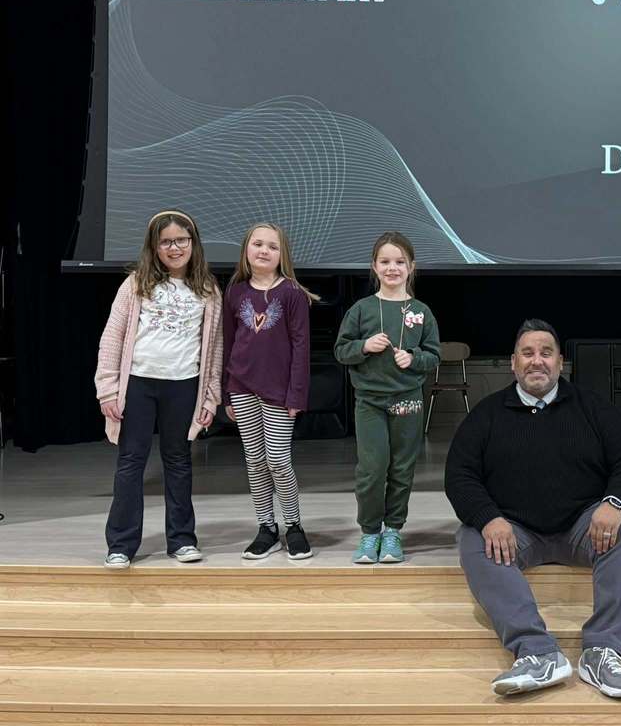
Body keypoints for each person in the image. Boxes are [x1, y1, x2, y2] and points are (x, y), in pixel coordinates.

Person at [445, 319, 621, 699]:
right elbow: (459, 476)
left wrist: (614, 502)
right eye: (527, 353)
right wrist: (489, 518)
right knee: (473, 537)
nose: (536, 361)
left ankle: (602, 652)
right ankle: (538, 653)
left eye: (546, 353)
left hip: (583, 529)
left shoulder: (593, 407)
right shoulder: (486, 414)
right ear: (513, 363)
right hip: (516, 533)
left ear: (560, 362)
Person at [95, 210, 223, 569]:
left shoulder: (208, 290)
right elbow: (112, 339)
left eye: (182, 240)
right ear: (154, 246)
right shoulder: (136, 284)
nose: (175, 247)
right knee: (131, 463)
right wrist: (108, 390)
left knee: (179, 462)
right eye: (166, 241)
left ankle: (182, 540)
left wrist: (210, 397)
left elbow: (215, 350)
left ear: (193, 244)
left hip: (183, 386)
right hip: (138, 384)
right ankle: (121, 544)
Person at [334, 232, 440, 564]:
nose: (392, 268)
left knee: (402, 469)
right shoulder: (361, 309)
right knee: (372, 468)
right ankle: (369, 534)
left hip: (408, 400)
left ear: (411, 268)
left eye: (399, 262)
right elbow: (341, 351)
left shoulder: (421, 311)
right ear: (374, 267)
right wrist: (363, 346)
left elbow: (434, 354)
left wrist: (415, 358)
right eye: (385, 262)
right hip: (370, 402)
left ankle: (393, 531)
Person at [223, 223, 316, 560]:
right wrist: (226, 390)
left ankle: (293, 526)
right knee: (255, 461)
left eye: (272, 246)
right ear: (247, 250)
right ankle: (267, 528)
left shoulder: (292, 294)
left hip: (278, 392)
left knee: (277, 458)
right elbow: (228, 343)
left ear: (282, 254)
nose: (264, 250)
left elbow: (301, 348)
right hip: (242, 388)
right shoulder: (235, 293)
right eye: (257, 244)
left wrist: (297, 394)